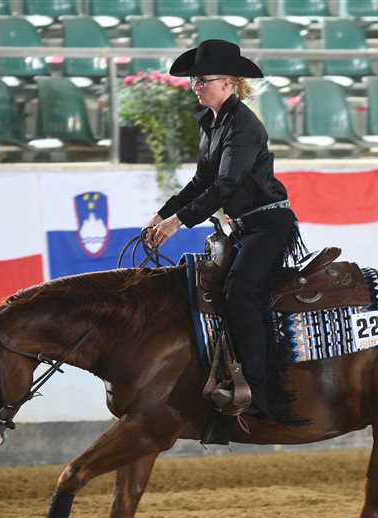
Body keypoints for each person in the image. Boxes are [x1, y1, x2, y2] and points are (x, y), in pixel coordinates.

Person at [144, 39, 305, 421]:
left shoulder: (244, 126)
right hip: (246, 227)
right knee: (216, 288)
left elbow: (226, 184)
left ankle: (262, 394)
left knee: (241, 291)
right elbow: (202, 181)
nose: (196, 87)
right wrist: (162, 214)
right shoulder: (212, 125)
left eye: (204, 80)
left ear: (229, 83)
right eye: (194, 81)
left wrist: (177, 222)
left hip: (268, 225)